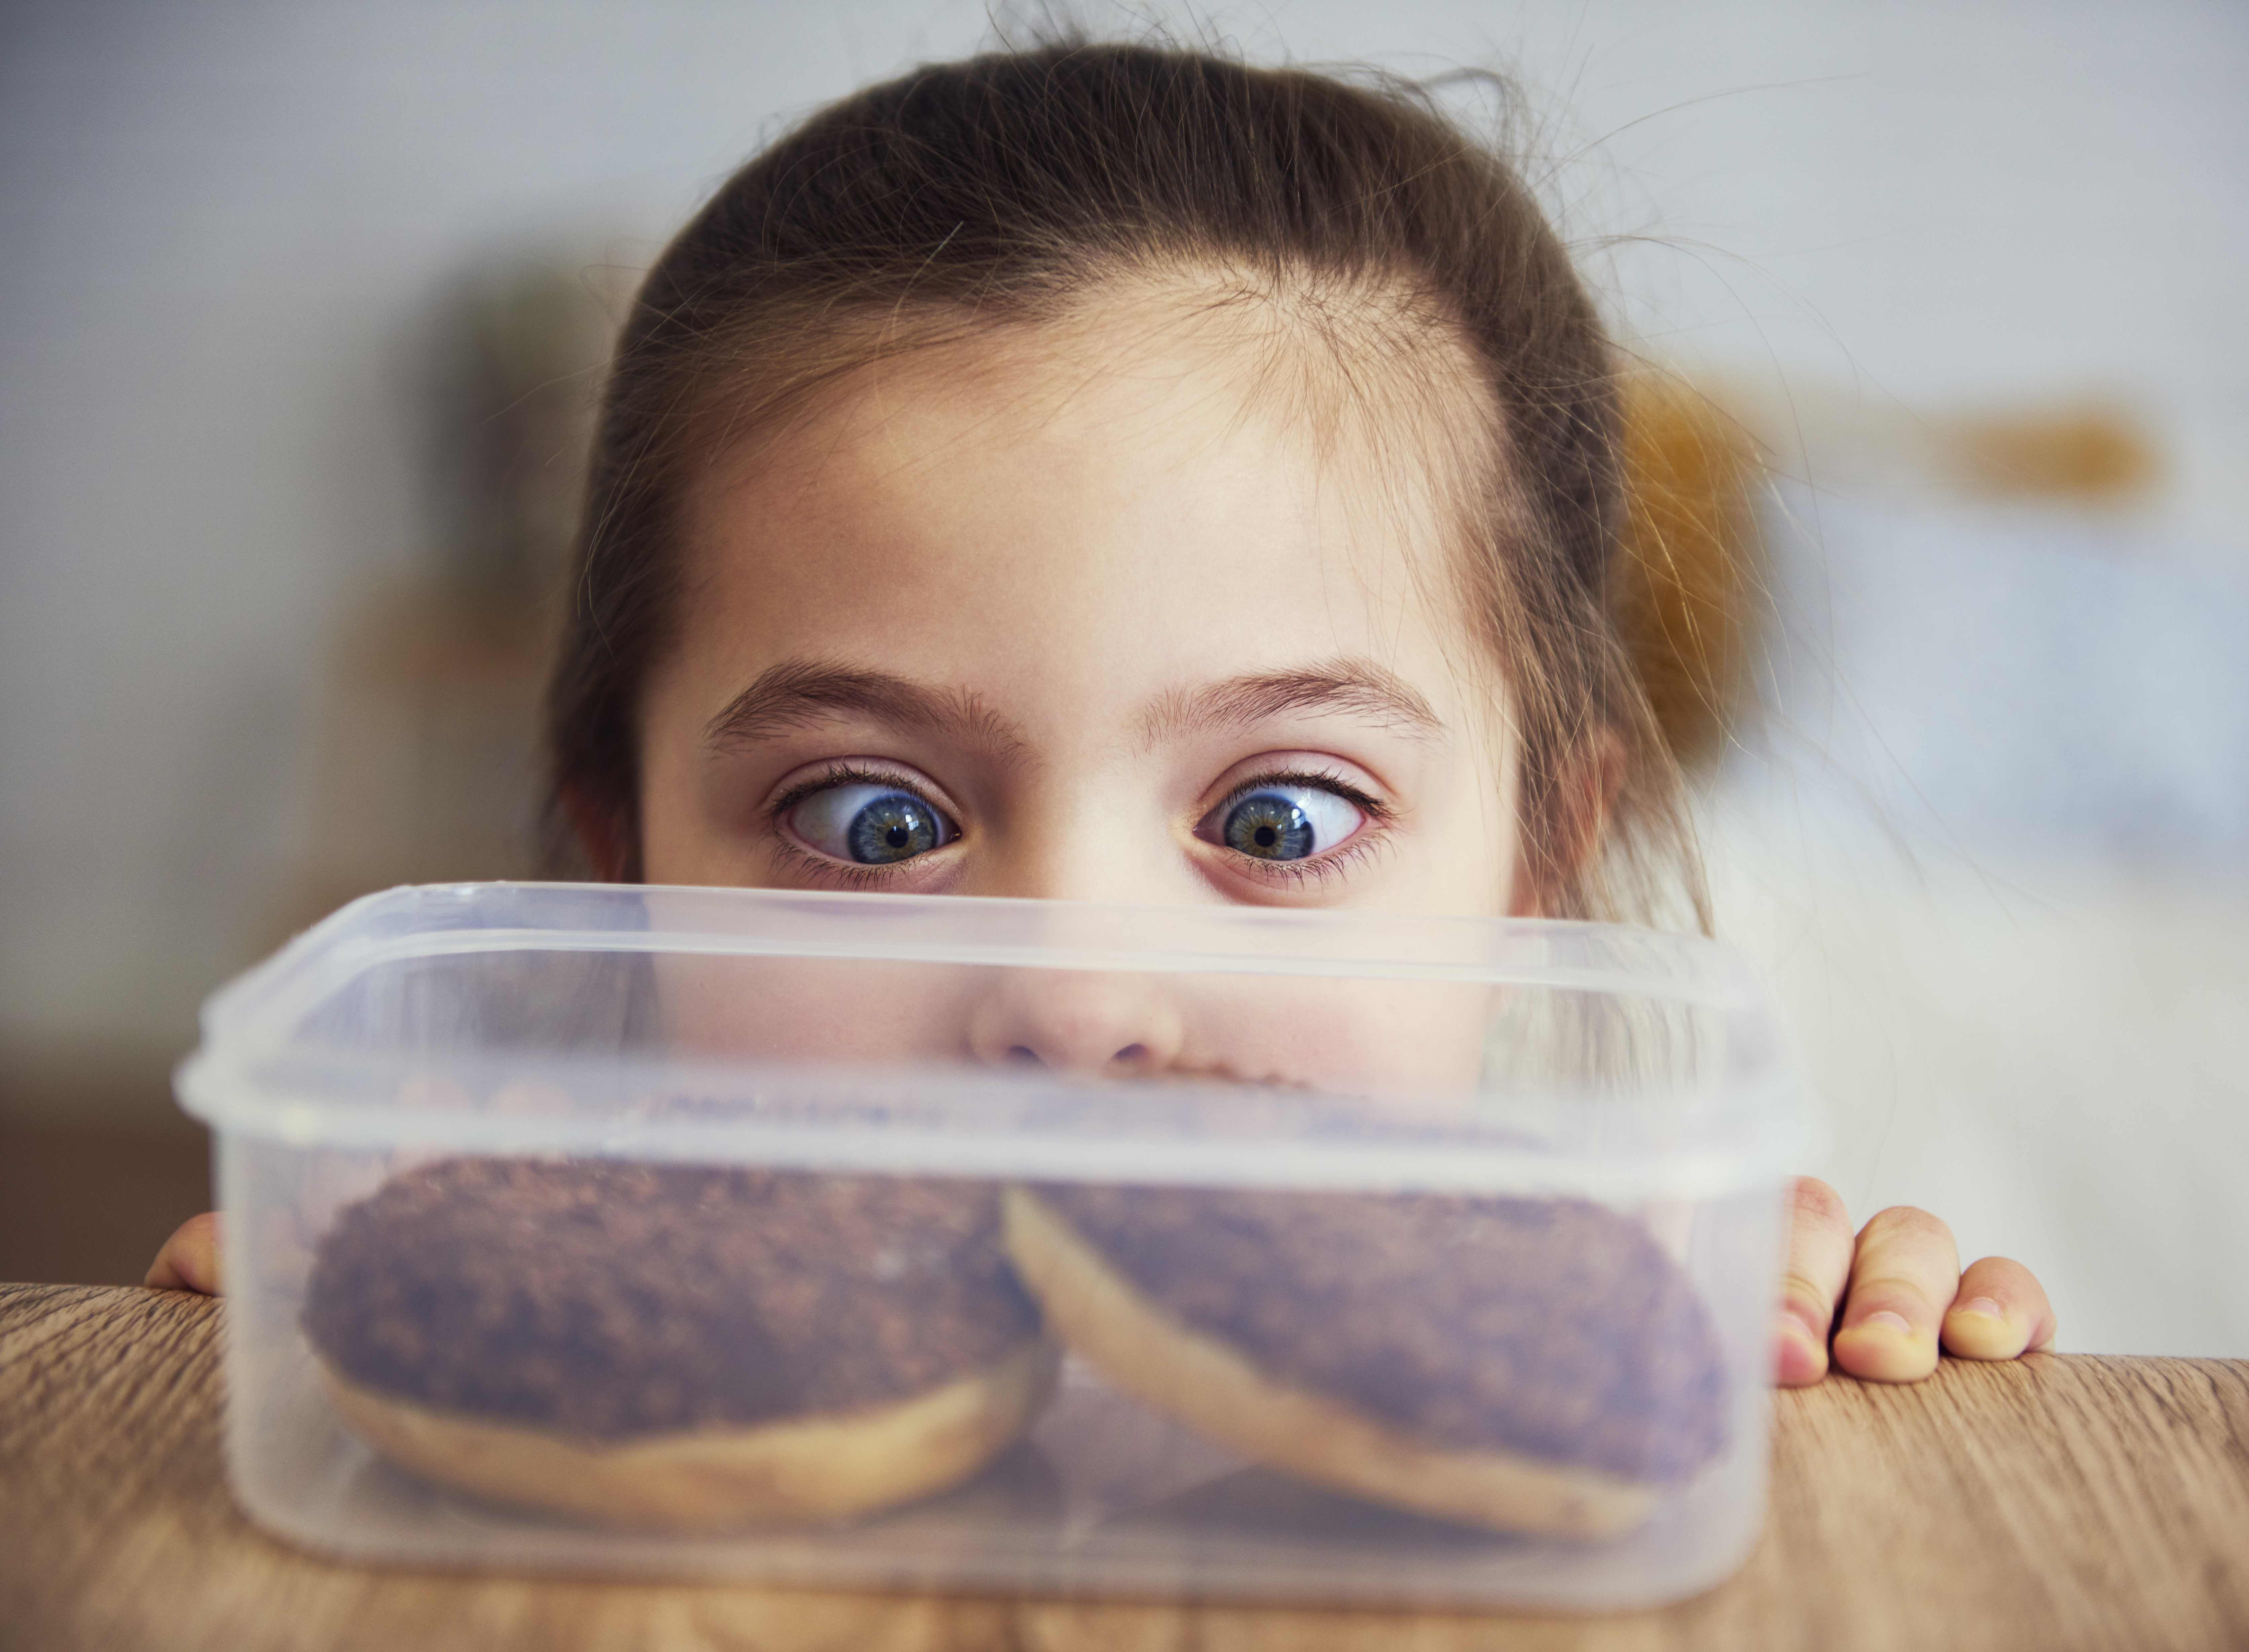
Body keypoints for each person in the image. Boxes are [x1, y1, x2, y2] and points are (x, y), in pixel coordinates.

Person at [149, 38, 2055, 1388]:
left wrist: (1830, 1340)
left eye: (1282, 820)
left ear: (1541, 864)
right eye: (873, 821)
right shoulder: (501, 1345)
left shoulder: (1635, 1342)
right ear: (621, 849)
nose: (1073, 1006)